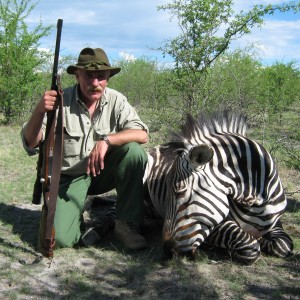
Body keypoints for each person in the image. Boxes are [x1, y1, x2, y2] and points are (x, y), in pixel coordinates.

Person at [21, 47, 149, 250]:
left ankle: (126, 224)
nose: (95, 83)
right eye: (89, 76)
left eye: (101, 76)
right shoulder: (60, 102)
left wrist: (106, 140)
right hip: (69, 179)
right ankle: (78, 213)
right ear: (77, 75)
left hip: (101, 173)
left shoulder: (116, 100)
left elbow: (142, 134)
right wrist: (39, 110)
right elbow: (31, 142)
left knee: (134, 152)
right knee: (61, 240)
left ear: (108, 78)